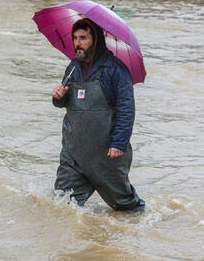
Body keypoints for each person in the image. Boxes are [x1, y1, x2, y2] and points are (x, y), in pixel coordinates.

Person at [52, 18, 145, 212]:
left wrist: (119, 143)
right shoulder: (73, 67)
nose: (78, 43)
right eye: (75, 38)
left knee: (127, 209)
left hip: (107, 156)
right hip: (74, 153)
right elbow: (66, 102)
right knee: (61, 205)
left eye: (83, 38)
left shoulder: (116, 70)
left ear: (96, 40)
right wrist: (58, 98)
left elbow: (126, 109)